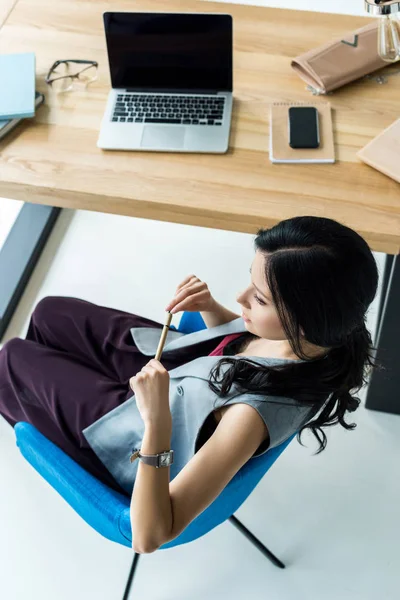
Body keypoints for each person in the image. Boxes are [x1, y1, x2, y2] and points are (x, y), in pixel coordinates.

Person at [0, 216, 382, 503]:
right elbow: (244, 347)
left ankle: (48, 411)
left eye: (259, 299)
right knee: (50, 313)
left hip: (145, 435)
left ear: (308, 319)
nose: (240, 296)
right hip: (184, 378)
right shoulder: (320, 340)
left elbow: (151, 534)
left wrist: (156, 423)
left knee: (13, 357)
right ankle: (44, 400)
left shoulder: (248, 419)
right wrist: (213, 310)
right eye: (250, 280)